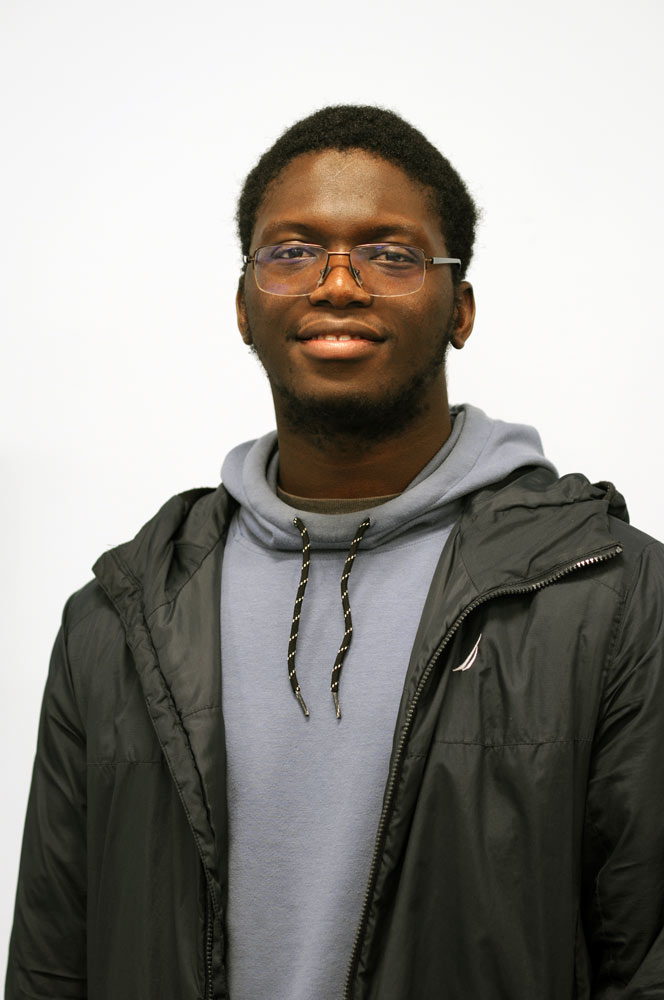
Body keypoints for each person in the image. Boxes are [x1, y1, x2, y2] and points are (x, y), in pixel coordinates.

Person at [6, 105, 664, 1000]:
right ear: (244, 306)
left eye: (392, 254)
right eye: (292, 251)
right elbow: (52, 962)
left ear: (460, 307)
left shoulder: (614, 595)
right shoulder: (119, 617)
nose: (340, 283)